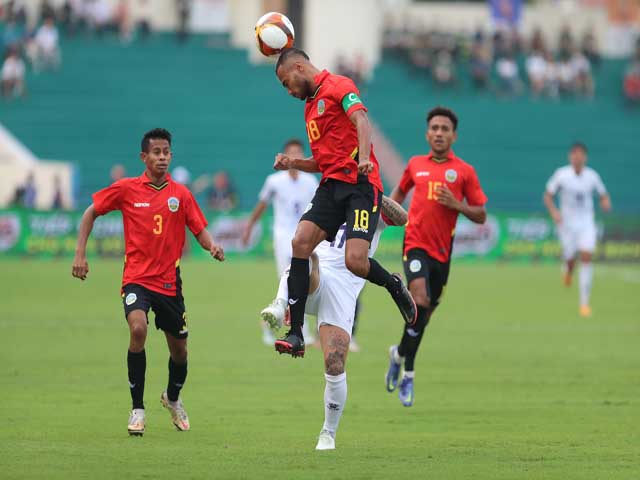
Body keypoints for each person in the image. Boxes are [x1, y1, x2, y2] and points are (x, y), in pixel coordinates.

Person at [71, 128, 225, 436]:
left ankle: (173, 398)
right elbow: (90, 212)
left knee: (179, 352)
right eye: (156, 152)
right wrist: (80, 254)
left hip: (169, 283)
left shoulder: (180, 194)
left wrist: (212, 246)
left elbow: (198, 228)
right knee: (138, 329)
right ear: (144, 157)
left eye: (167, 152)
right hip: (137, 280)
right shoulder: (127, 189)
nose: (162, 157)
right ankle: (137, 409)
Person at [272, 47, 416, 358]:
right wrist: (293, 163)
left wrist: (364, 159)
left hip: (361, 187)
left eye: (287, 82)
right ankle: (296, 333)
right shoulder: (310, 109)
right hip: (331, 187)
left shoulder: (339, 86)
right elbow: (324, 162)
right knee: (300, 243)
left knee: (355, 261)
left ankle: (392, 284)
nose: (288, 90)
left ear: (298, 67)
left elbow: (361, 121)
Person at [261, 195, 408, 450]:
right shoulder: (327, 198)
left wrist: (373, 192)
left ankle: (328, 433)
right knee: (304, 253)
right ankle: (280, 304)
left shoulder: (371, 206)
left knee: (335, 363)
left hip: (344, 287)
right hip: (317, 275)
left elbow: (402, 217)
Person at [385, 107, 488, 407]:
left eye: (445, 128)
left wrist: (457, 205)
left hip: (442, 254)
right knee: (420, 302)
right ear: (427, 133)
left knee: (423, 317)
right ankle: (409, 376)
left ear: (453, 135)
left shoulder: (465, 171)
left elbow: (481, 214)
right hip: (414, 244)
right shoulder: (415, 165)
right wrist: (385, 217)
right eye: (435, 128)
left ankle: (399, 355)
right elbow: (398, 196)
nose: (439, 133)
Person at [242, 138, 319, 346]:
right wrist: (249, 226)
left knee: (302, 282)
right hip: (283, 237)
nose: (294, 156)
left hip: (304, 236)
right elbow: (262, 205)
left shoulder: (310, 181)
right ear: (285, 155)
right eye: (291, 152)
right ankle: (294, 328)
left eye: (298, 152)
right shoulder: (274, 181)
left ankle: (290, 326)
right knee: (292, 283)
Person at [543, 143, 611, 317]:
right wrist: (554, 212)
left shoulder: (592, 176)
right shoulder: (562, 174)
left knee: (587, 256)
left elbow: (603, 193)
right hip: (567, 224)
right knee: (570, 257)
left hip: (586, 223)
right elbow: (548, 195)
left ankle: (584, 304)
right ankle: (568, 271)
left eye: (581, 155)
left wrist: (605, 202)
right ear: (570, 157)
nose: (578, 158)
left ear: (585, 157)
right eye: (575, 155)